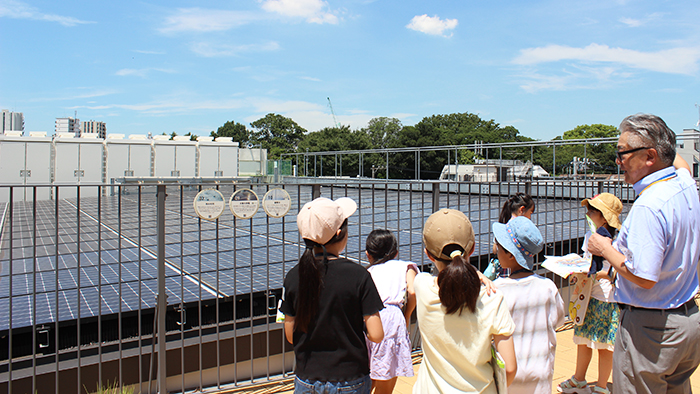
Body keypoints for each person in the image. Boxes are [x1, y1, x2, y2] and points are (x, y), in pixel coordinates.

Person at [587, 113, 700, 394]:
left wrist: (604, 248)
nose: (618, 160)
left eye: (623, 153)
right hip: (687, 320)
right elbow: (679, 161)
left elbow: (644, 277)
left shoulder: (649, 206)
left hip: (651, 329)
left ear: (650, 156)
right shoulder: (685, 183)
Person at [279, 197, 385, 393]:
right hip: (350, 379)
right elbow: (377, 335)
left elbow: (290, 336)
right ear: (339, 233)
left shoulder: (293, 276)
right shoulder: (359, 275)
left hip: (307, 379)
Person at [413, 208, 517, 393]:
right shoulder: (493, 299)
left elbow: (415, 275)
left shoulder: (422, 286)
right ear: (473, 248)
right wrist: (477, 274)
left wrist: (473, 273)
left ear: (428, 254)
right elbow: (509, 368)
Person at [557, 193, 623, 394]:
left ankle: (602, 386)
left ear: (604, 217)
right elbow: (587, 261)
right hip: (587, 294)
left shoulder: (619, 239)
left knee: (605, 345)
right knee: (583, 339)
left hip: (607, 297)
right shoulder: (589, 236)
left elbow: (617, 270)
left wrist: (595, 274)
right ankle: (579, 379)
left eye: (592, 211)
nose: (588, 213)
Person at [493, 216, 565, 394]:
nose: (495, 250)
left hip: (506, 376)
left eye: (499, 246)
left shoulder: (497, 290)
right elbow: (559, 319)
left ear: (510, 254)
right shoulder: (548, 286)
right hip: (540, 373)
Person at [365, 229, 419, 394]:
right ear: (395, 253)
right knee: (387, 377)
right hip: (392, 319)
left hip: (368, 318)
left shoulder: (366, 272)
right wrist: (407, 314)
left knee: (368, 374)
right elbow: (413, 291)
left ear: (368, 254)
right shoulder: (405, 267)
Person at [485, 192, 535, 280]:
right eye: (530, 212)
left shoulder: (505, 226)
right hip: (517, 272)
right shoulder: (521, 229)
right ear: (522, 210)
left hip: (503, 271)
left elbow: (494, 249)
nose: (530, 217)